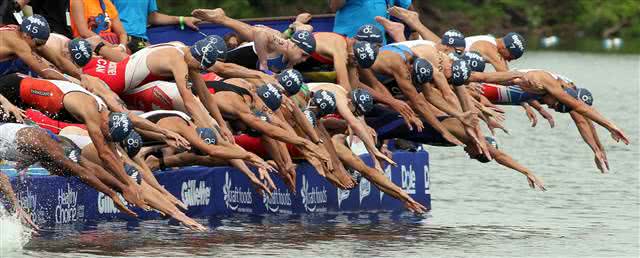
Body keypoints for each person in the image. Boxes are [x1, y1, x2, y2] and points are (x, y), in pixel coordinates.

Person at [364, 104, 546, 190]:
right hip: (398, 122)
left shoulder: (463, 139)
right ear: (481, 147)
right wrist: (527, 172)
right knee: (356, 123)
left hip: (397, 125)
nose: (470, 156)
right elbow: (500, 156)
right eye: (477, 156)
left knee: (360, 119)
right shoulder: (468, 135)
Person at [0, 121, 139, 215]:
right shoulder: (48, 149)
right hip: (22, 135)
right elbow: (81, 171)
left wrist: (121, 189)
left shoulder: (46, 150)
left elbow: (87, 170)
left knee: (77, 168)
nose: (54, 173)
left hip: (29, 138)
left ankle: (123, 187)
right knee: (74, 169)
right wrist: (113, 193)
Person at [191, 8, 315, 73]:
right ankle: (221, 18)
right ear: (294, 45)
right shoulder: (280, 43)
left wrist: (297, 23)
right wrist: (263, 63)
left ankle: (221, 18)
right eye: (304, 55)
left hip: (240, 70)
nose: (304, 60)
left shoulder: (292, 55)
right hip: (230, 60)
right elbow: (259, 33)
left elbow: (308, 28)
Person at [111, 0, 201, 53]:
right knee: (174, 56)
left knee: (181, 49)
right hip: (120, 39)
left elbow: (152, 17)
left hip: (141, 41)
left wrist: (182, 19)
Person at [0, 15, 67, 80]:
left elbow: (59, 61)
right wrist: (72, 84)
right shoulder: (18, 43)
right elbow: (47, 73)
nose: (39, 48)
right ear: (26, 35)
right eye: (38, 44)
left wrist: (77, 76)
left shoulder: (18, 30)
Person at [330, 0, 412, 45]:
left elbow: (408, 6)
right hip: (347, 44)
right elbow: (334, 7)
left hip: (379, 47)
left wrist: (414, 31)